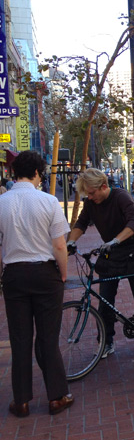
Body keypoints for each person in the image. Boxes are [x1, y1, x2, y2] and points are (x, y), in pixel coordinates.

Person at [0, 150, 74, 417]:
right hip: (45, 274)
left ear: (13, 173)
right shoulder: (49, 201)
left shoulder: (2, 202)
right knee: (47, 338)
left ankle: (21, 400)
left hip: (14, 275)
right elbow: (59, 245)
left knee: (19, 339)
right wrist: (63, 274)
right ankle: (56, 397)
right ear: (37, 173)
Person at [66, 168, 134, 357]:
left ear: (103, 187)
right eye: (87, 194)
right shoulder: (91, 203)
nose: (89, 197)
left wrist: (115, 240)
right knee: (105, 300)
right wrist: (71, 241)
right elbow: (81, 223)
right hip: (110, 253)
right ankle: (106, 341)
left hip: (132, 251)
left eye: (91, 193)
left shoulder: (121, 197)